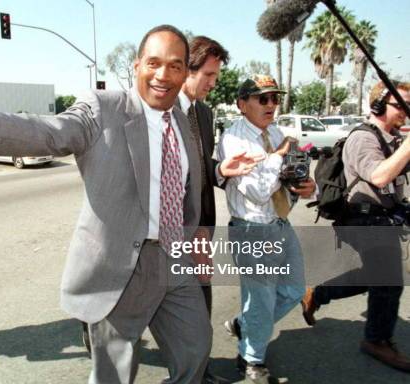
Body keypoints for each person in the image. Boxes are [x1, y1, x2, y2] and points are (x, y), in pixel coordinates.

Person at [0, 25, 260, 383]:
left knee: (196, 348)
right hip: (123, 264)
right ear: (137, 66)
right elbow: (47, 132)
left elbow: (187, 187)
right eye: (154, 63)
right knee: (115, 370)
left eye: (175, 66)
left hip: (176, 259)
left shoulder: (183, 117)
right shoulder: (103, 108)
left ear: (183, 73)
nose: (163, 75)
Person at [301, 81, 410, 372]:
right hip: (361, 219)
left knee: (375, 277)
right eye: (400, 105)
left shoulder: (393, 137)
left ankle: (319, 293)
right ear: (377, 106)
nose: (405, 111)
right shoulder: (363, 138)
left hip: (383, 217)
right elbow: (378, 175)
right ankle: (376, 340)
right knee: (389, 280)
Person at [216, 75, 317, 383]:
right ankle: (250, 359)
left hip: (279, 222)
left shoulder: (274, 132)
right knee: (261, 300)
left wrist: (306, 186)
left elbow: (285, 177)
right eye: (263, 98)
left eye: (275, 98)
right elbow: (257, 192)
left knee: (294, 290)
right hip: (252, 229)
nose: (272, 104)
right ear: (242, 104)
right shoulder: (233, 139)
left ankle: (244, 324)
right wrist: (278, 156)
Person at [178, 35, 232, 384]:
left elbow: (201, 167)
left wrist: (222, 171)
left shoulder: (205, 112)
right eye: (209, 75)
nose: (213, 83)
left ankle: (199, 371)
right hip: (166, 230)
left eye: (216, 75)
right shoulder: (160, 111)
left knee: (200, 301)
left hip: (201, 226)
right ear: (187, 68)